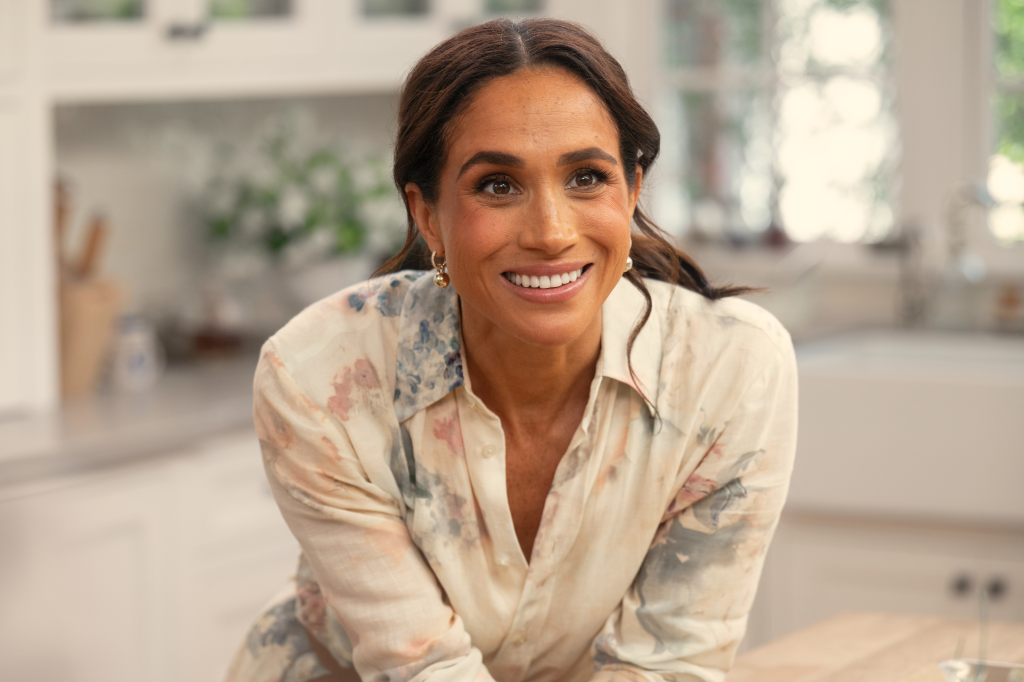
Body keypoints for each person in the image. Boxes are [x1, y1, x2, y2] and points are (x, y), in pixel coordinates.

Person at [225, 16, 797, 682]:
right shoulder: (320, 377)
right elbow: (422, 668)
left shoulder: (731, 371)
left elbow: (668, 664)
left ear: (633, 190)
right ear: (428, 215)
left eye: (586, 177)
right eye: (498, 185)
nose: (551, 233)